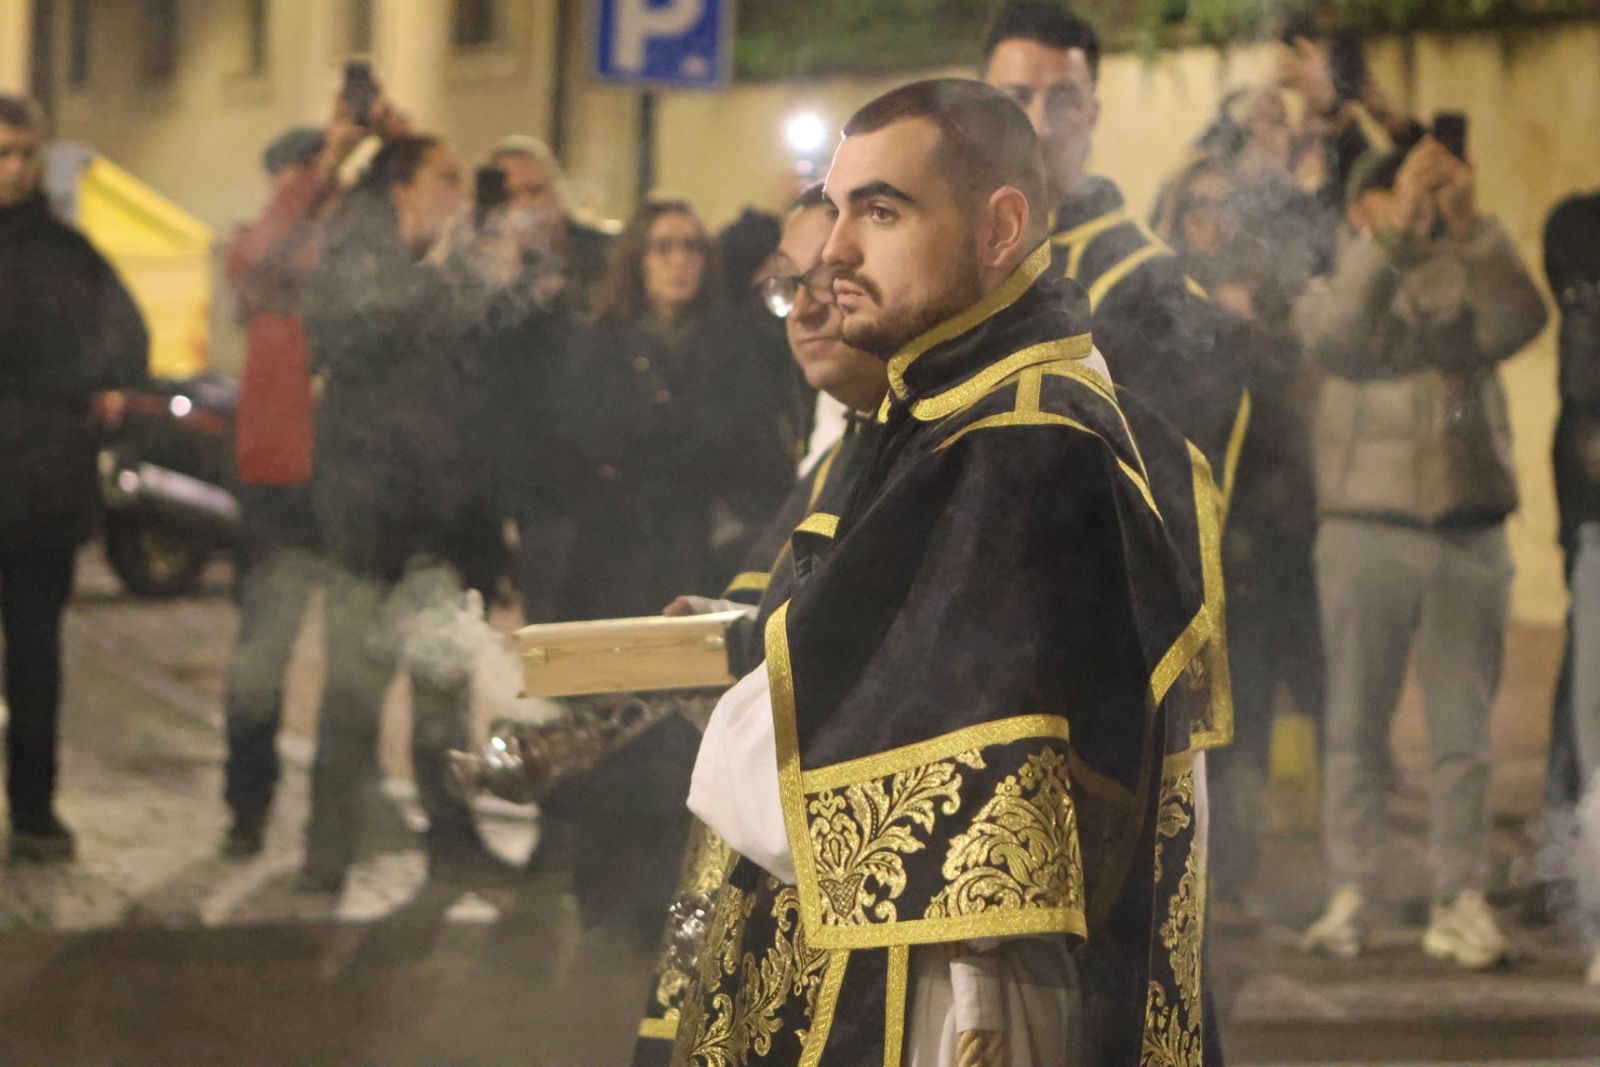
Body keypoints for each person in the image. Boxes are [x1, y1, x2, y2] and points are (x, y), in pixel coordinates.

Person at [673, 78, 1218, 1066]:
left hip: (967, 994)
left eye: (880, 212)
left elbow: (855, 785)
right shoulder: (955, 406)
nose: (835, 249)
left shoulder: (1021, 440)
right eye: (834, 209)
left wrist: (738, 706)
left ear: (1000, 226)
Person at [631, 183, 890, 1066]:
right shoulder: (853, 442)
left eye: (834, 275)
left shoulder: (918, 446)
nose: (808, 307)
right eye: (788, 283)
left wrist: (747, 643)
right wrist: (731, 625)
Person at [1296, 137, 1547, 968]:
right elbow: (1337, 336)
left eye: (1431, 197)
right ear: (1365, 208)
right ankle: (1355, 891)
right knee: (1355, 723)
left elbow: (1522, 319)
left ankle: (1459, 896)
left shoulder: (1471, 274)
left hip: (1469, 529)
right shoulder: (1335, 278)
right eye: (1404, 197)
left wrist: (1475, 229)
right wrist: (1394, 238)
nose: (1423, 211)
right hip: (1363, 528)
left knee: (1462, 733)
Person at [300, 133, 508, 894]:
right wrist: (441, 269)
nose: (461, 190)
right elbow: (347, 338)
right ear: (402, 188)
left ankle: (452, 843)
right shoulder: (361, 256)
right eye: (446, 175)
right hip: (371, 524)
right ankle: (326, 851)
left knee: (445, 700)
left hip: (444, 523)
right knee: (353, 694)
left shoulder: (451, 271)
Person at [981, 0, 1248, 482]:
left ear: (1091, 114)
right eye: (1016, 98)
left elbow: (1171, 500)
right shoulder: (949, 256)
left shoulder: (1146, 288)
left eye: (1062, 100)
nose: (1039, 125)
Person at [0, 94, 148, 860]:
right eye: (3, 153)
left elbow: (126, 332)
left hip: (38, 492)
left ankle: (34, 807)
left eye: (26, 152)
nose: (16, 168)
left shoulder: (67, 251)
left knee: (36, 661)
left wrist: (107, 383)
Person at [219, 114, 366, 858]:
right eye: (303, 173)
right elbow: (260, 254)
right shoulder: (258, 249)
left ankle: (334, 821)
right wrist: (325, 164)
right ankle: (248, 802)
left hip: (341, 477)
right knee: (262, 653)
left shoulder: (340, 255)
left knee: (351, 653)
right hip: (276, 480)